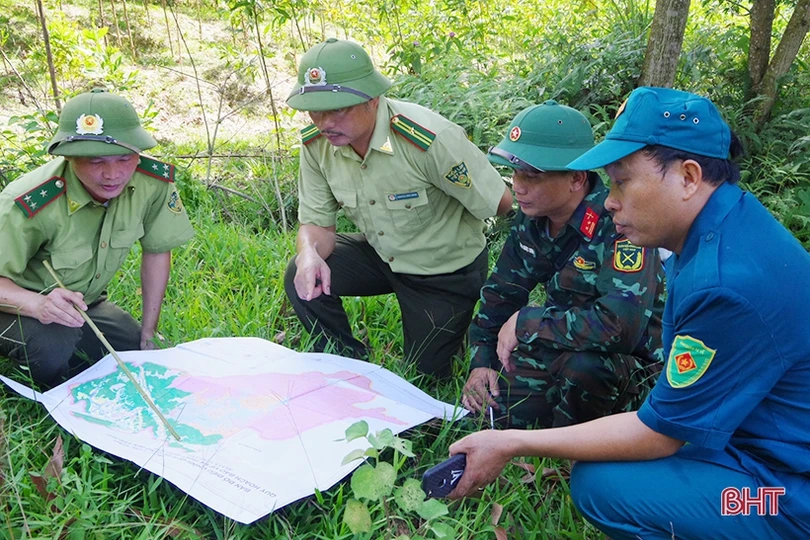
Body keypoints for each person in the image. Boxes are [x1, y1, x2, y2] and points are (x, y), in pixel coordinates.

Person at [447, 87, 810, 539]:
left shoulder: (724, 283)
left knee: (603, 486)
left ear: (689, 177)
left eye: (622, 182)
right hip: (749, 440)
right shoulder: (728, 226)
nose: (610, 200)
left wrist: (512, 443)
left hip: (787, 494)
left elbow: (660, 433)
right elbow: (504, 290)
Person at [283, 38, 512, 377]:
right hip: (383, 254)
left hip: (443, 271)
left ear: (372, 98)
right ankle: (344, 365)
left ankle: (452, 326)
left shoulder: (427, 139)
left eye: (338, 109)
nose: (324, 122)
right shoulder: (317, 145)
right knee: (301, 273)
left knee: (423, 379)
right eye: (315, 110)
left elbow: (500, 203)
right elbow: (317, 225)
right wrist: (308, 253)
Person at [461, 101, 665, 429]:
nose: (518, 186)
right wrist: (482, 361)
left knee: (585, 368)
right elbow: (502, 293)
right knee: (488, 415)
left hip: (627, 367)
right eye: (515, 173)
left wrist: (528, 322)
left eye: (532, 176)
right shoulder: (532, 218)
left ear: (576, 179)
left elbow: (619, 327)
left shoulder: (620, 225)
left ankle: (580, 448)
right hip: (560, 347)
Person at [0, 89, 194, 389]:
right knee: (52, 351)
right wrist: (37, 305)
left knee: (133, 350)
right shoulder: (29, 201)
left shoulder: (151, 183)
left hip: (84, 303)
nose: (112, 174)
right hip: (16, 304)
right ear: (69, 156)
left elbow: (157, 251)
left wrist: (149, 331)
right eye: (95, 161)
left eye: (124, 158)